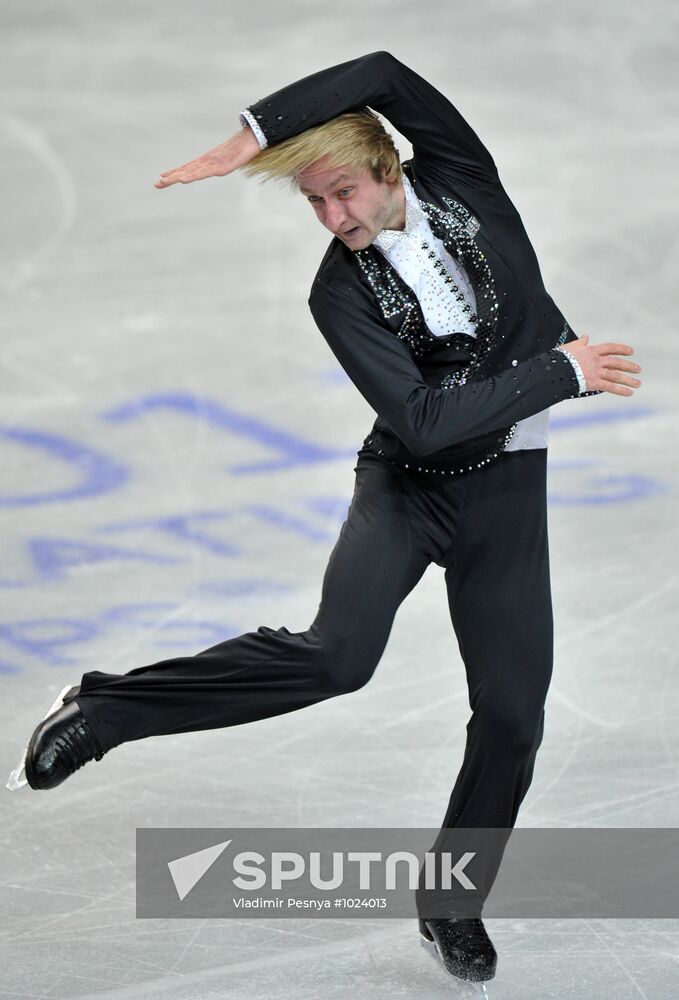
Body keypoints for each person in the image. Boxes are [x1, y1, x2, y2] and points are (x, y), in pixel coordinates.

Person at [11, 51, 641, 983]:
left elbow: (384, 72)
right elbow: (424, 427)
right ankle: (110, 708)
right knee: (336, 658)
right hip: (406, 488)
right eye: (313, 203)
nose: (333, 219)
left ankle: (451, 901)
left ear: (389, 169)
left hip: (505, 491)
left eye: (342, 192)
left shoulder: (462, 178)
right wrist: (561, 370)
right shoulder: (337, 290)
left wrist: (250, 135)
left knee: (511, 715)